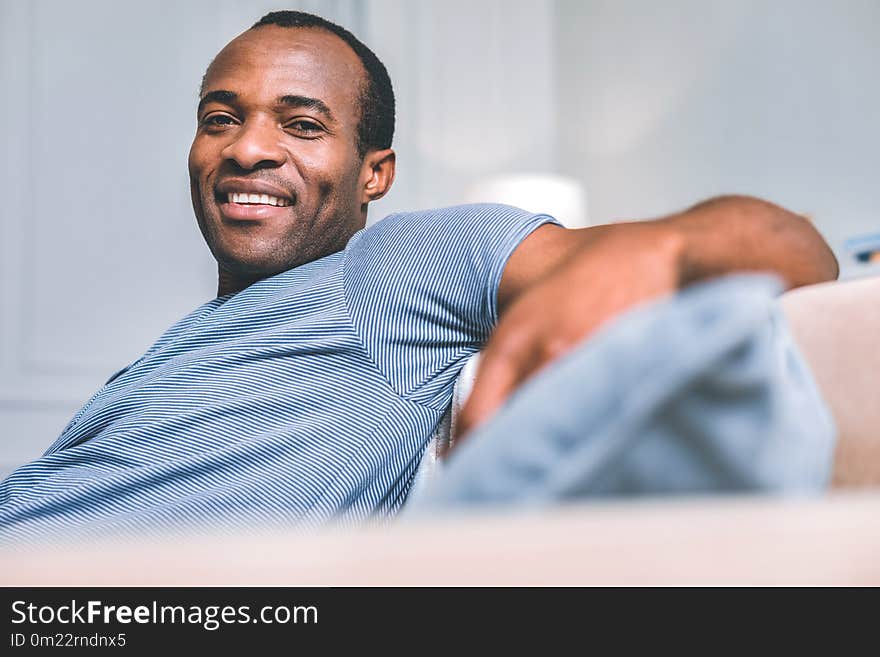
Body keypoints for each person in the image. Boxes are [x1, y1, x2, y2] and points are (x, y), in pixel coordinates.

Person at [0, 11, 838, 543]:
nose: (247, 147)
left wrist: (649, 256)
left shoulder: (394, 269)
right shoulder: (167, 353)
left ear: (375, 173)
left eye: (301, 123)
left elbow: (787, 246)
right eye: (221, 118)